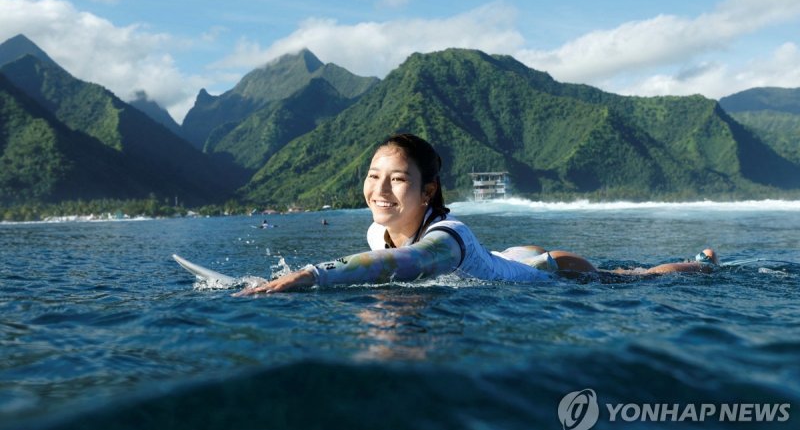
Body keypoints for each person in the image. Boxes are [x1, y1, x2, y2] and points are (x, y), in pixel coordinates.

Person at [236, 134, 714, 296]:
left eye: (398, 178)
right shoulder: (376, 230)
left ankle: (701, 262)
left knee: (634, 277)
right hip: (501, 257)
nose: (379, 189)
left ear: (428, 191)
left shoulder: (445, 238)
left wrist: (310, 276)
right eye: (373, 175)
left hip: (547, 267)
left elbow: (402, 266)